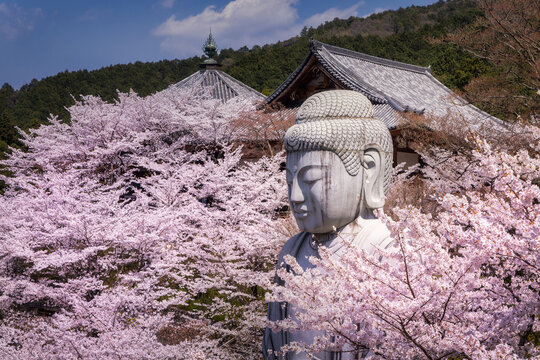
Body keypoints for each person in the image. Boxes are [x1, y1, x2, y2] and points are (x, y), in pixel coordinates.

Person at [263, 90, 394, 360]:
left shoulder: (385, 250)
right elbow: (274, 342)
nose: (296, 196)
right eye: (290, 182)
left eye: (310, 180)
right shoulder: (293, 250)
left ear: (368, 168)